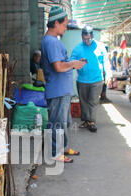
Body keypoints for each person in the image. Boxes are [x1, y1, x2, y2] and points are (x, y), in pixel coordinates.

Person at [41, 6, 86, 163]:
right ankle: (55, 153)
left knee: (64, 122)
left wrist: (73, 63)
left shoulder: (52, 41)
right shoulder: (51, 42)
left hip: (62, 90)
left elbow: (60, 64)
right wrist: (73, 63)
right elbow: (58, 67)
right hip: (57, 90)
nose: (66, 28)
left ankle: (64, 147)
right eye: (65, 25)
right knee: (57, 123)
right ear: (56, 23)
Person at [71, 25, 111, 132]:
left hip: (97, 80)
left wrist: (109, 74)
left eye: (88, 38)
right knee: (83, 101)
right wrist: (78, 62)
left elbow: (106, 61)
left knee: (93, 101)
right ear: (81, 37)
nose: (86, 40)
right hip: (82, 80)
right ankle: (85, 120)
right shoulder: (78, 48)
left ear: (92, 36)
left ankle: (91, 121)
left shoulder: (100, 47)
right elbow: (71, 62)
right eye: (84, 38)